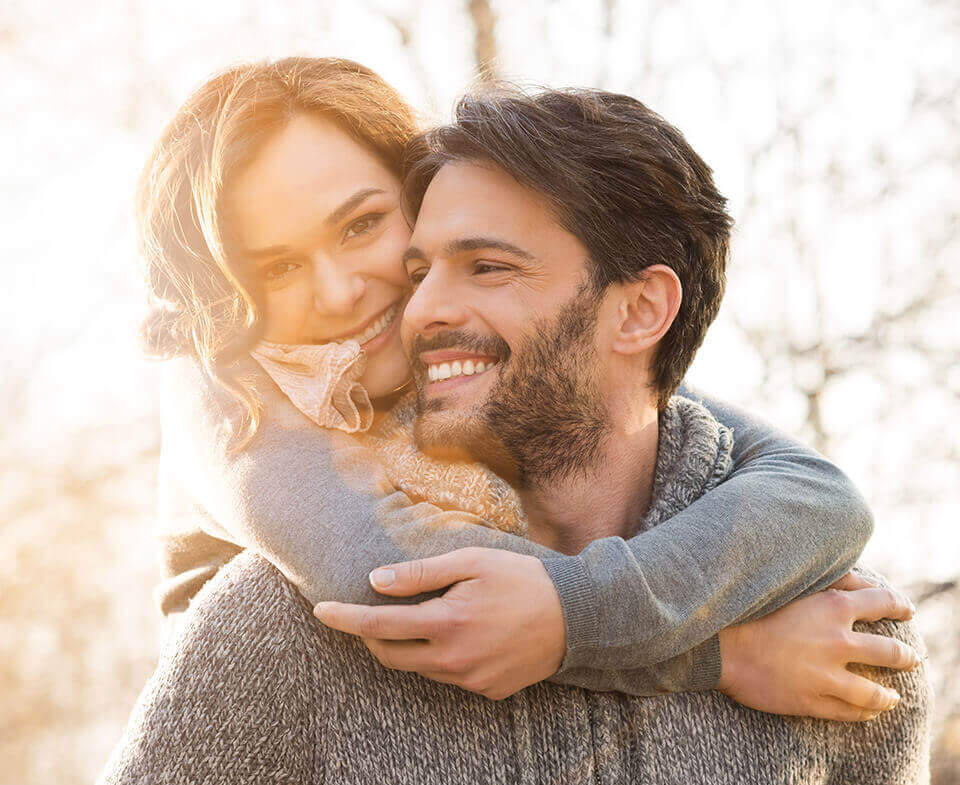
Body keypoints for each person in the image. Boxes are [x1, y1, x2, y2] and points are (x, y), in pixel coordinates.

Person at [99, 82, 931, 784]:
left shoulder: (848, 636)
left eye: (364, 227)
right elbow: (399, 584)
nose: (352, 291)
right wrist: (723, 658)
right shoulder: (239, 440)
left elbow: (810, 486)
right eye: (275, 265)